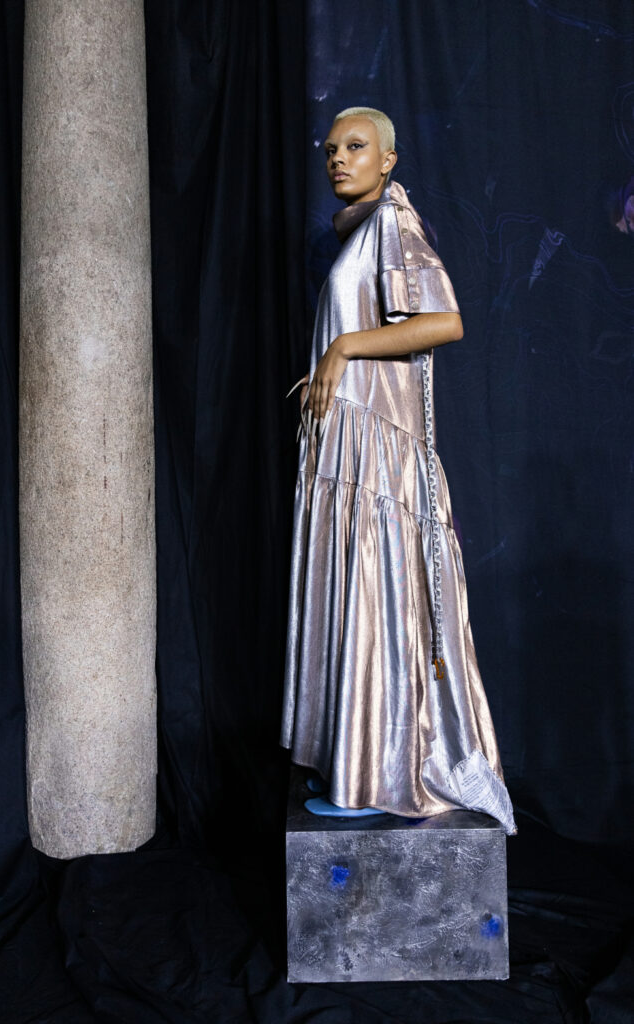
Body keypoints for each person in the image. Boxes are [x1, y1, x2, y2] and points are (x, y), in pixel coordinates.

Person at [281, 107, 517, 835]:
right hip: (348, 446)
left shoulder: (392, 220)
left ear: (387, 160)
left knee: (375, 594)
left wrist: (343, 349)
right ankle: (353, 756)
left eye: (355, 147)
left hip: (378, 453)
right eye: (330, 149)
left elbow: (444, 321)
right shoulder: (360, 231)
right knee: (353, 595)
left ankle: (378, 772)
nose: (337, 159)